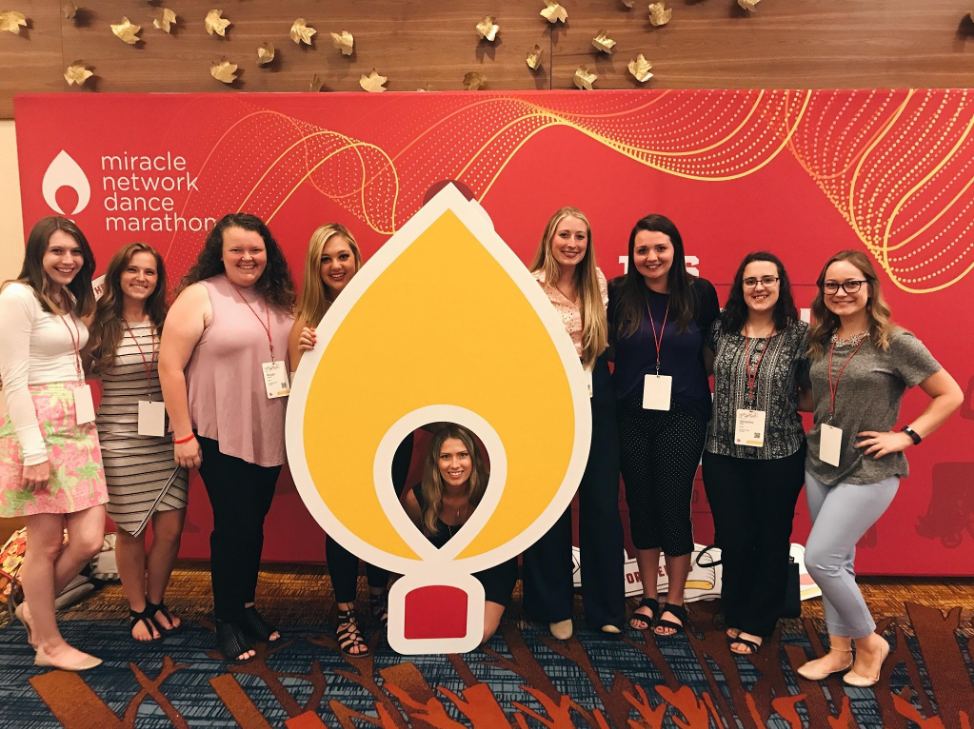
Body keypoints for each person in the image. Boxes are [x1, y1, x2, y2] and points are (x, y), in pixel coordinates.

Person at [796, 250, 961, 686]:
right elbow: (817, 397)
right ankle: (838, 651)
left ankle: (870, 643)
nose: (841, 293)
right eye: (832, 285)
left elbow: (950, 394)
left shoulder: (896, 341)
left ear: (870, 288)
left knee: (820, 558)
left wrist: (906, 435)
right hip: (820, 462)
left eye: (852, 283)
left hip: (870, 468)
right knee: (840, 562)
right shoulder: (820, 340)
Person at [159, 213, 296, 663]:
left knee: (252, 526)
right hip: (218, 434)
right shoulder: (200, 295)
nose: (247, 257)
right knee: (232, 528)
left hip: (268, 431)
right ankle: (225, 621)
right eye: (236, 249)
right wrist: (183, 435)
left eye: (255, 249)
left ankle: (247, 608)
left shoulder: (277, 297)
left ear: (267, 253)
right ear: (219, 252)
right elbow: (169, 366)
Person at [287, 223, 414, 657]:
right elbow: (294, 388)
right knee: (342, 526)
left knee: (384, 520)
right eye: (326, 259)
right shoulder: (306, 320)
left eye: (343, 256)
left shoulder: (383, 306)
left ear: (357, 260)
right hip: (338, 441)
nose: (336, 265)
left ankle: (378, 596)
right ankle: (345, 613)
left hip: (391, 434)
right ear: (314, 266)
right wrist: (300, 354)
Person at [0, 216, 106, 671]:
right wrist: (34, 450)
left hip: (78, 426)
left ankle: (32, 608)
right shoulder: (17, 297)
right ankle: (47, 642)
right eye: (57, 251)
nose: (68, 260)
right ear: (37, 253)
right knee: (44, 544)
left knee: (88, 539)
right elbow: (13, 380)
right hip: (39, 426)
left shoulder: (65, 297)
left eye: (75, 251)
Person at [609, 214, 719, 636]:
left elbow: (713, 351)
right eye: (642, 250)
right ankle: (648, 596)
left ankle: (676, 600)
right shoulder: (620, 293)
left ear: (676, 250)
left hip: (683, 412)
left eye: (660, 248)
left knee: (672, 503)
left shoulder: (700, 293)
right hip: (629, 413)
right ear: (632, 255)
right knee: (639, 503)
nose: (651, 257)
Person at [521, 207, 625, 639]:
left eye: (580, 237)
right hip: (545, 399)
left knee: (601, 504)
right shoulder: (528, 283)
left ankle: (605, 609)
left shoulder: (597, 281)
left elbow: (602, 344)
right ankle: (553, 606)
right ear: (549, 237)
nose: (572, 244)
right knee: (551, 505)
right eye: (564, 235)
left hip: (595, 393)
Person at [702, 252, 809, 655]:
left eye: (768, 279)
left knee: (770, 536)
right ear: (739, 287)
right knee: (733, 535)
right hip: (722, 452)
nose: (759, 287)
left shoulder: (800, 335)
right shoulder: (721, 329)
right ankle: (736, 610)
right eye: (751, 281)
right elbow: (705, 371)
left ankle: (759, 620)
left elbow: (812, 393)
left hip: (779, 454)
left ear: (781, 284)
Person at [87, 243, 188, 642]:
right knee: (130, 528)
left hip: (166, 436)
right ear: (117, 275)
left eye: (149, 272)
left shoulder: (169, 321)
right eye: (132, 270)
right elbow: (75, 368)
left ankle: (157, 602)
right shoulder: (98, 324)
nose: (141, 278)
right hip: (120, 439)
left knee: (170, 529)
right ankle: (137, 609)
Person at [402, 424, 518, 643]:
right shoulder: (417, 498)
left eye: (462, 455)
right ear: (435, 462)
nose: (455, 465)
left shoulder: (494, 490)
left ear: (473, 458)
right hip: (445, 572)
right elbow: (410, 552)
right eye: (446, 456)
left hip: (491, 570)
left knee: (477, 634)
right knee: (430, 629)